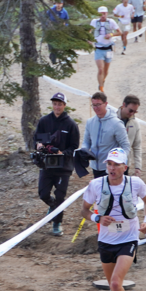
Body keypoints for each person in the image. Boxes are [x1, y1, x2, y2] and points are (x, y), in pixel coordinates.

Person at [80, 148, 146, 291]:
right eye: (109, 164)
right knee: (116, 289)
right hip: (106, 240)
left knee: (114, 283)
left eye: (116, 165)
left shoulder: (135, 183)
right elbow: (84, 210)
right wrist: (97, 218)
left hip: (128, 238)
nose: (112, 168)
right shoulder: (96, 185)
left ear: (124, 167)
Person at [34, 92, 81, 236]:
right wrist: (39, 145)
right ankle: (53, 207)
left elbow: (74, 146)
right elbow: (37, 139)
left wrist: (62, 153)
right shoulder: (44, 121)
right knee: (43, 194)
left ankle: (57, 223)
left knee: (60, 196)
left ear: (64, 105)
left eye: (60, 104)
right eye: (55, 104)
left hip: (63, 167)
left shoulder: (71, 124)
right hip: (47, 164)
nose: (57, 106)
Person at [80, 92, 131, 179]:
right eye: (93, 105)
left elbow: (126, 145)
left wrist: (120, 162)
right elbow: (86, 141)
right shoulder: (90, 122)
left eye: (98, 105)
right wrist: (84, 151)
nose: (96, 108)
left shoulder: (116, 123)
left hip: (111, 168)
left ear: (106, 104)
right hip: (95, 167)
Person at [89, 7, 122, 92]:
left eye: (104, 13)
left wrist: (111, 34)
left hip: (108, 49)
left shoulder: (111, 21)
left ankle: (103, 80)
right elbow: (89, 31)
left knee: (106, 70)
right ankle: (101, 88)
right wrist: (89, 39)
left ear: (107, 13)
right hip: (98, 48)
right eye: (101, 14)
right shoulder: (94, 22)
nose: (102, 15)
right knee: (100, 69)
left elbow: (119, 32)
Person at [118, 95, 143, 177]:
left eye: (135, 112)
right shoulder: (111, 120)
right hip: (110, 164)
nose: (132, 114)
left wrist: (138, 167)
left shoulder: (135, 124)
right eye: (130, 110)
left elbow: (137, 146)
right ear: (123, 105)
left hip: (125, 165)